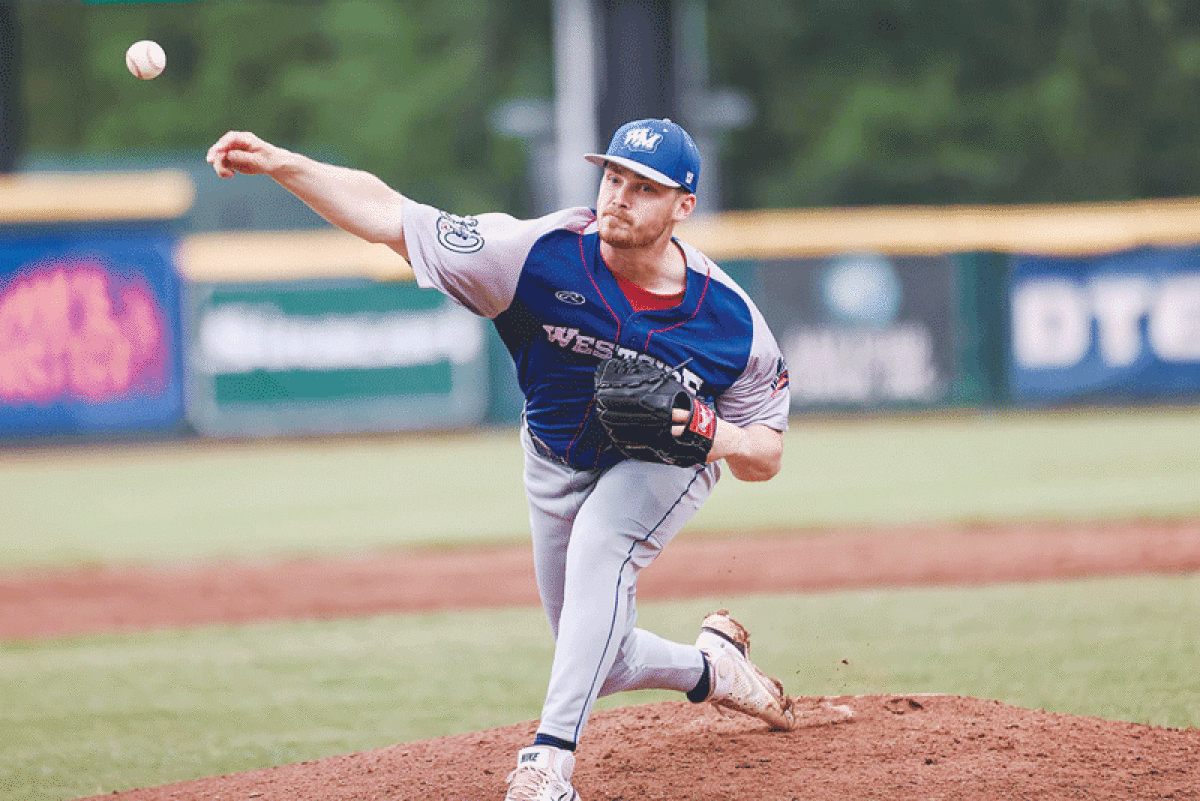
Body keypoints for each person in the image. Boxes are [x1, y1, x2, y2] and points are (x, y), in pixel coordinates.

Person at [207, 117, 795, 801]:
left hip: (664, 461)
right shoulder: (532, 255)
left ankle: (547, 765)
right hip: (552, 459)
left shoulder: (730, 320)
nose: (620, 196)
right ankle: (712, 669)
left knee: (604, 546)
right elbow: (388, 216)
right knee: (596, 653)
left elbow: (767, 454)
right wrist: (282, 162)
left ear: (683, 207)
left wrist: (708, 431)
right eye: (613, 177)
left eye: (644, 187)